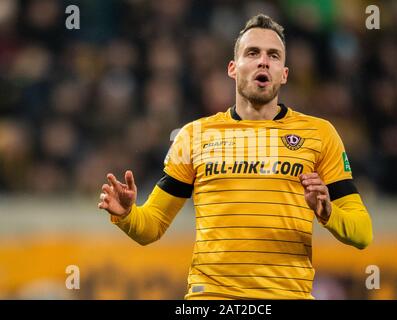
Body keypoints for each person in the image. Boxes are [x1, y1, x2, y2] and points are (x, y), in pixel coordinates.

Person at [98, 14, 373, 300]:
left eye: (273, 56)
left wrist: (328, 213)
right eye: (252, 53)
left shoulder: (320, 134)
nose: (263, 61)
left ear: (284, 73)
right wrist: (129, 215)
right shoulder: (194, 135)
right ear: (233, 68)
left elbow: (363, 233)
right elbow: (152, 225)